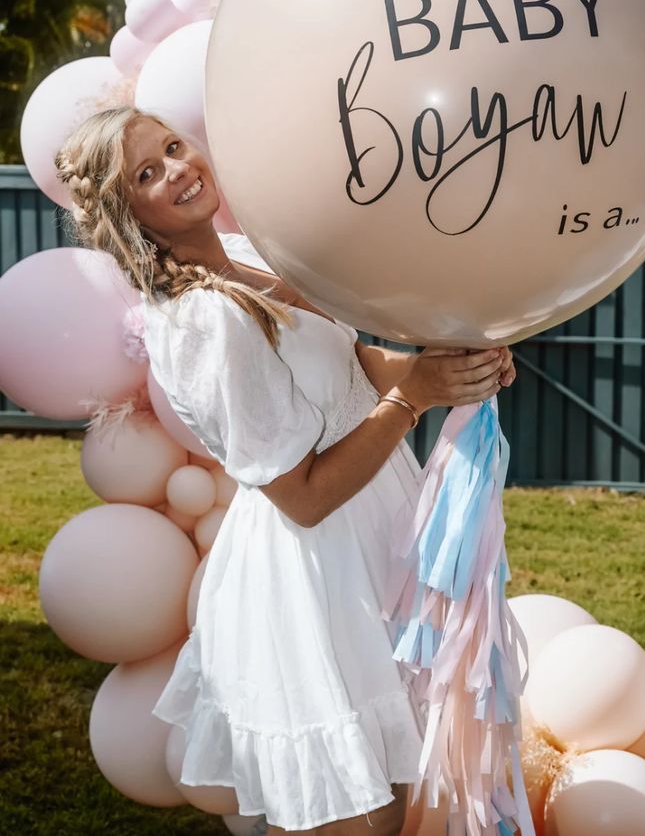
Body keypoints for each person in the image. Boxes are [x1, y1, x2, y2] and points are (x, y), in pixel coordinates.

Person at [55, 104, 516, 836]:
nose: (178, 168)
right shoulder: (201, 321)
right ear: (129, 213)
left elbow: (350, 363)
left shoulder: (248, 250)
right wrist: (414, 395)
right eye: (148, 172)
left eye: (173, 147)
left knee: (407, 797)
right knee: (354, 813)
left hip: (381, 532)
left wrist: (446, 372)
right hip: (315, 574)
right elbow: (300, 496)